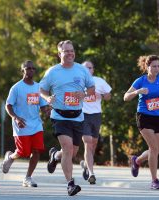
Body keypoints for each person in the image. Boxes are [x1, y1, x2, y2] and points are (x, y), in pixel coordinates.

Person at [40, 40, 95, 196]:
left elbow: (92, 89)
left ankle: (54, 156)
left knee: (71, 153)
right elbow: (42, 89)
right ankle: (70, 184)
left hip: (77, 116)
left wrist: (83, 94)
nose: (70, 53)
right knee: (67, 148)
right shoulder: (52, 72)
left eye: (72, 51)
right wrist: (47, 98)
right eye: (66, 51)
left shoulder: (82, 70)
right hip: (59, 115)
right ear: (60, 54)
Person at [123, 55, 159, 190]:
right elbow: (126, 97)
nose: (156, 69)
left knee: (155, 150)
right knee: (153, 148)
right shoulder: (140, 81)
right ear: (147, 67)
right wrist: (138, 91)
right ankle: (154, 180)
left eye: (158, 66)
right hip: (144, 116)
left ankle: (137, 160)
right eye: (154, 66)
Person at [1, 60, 49, 187]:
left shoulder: (38, 87)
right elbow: (8, 105)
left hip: (36, 124)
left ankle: (28, 177)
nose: (31, 70)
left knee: (37, 151)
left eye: (33, 68)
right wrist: (16, 118)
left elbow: (43, 106)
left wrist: (48, 111)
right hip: (21, 124)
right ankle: (11, 157)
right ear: (22, 70)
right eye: (28, 68)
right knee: (23, 152)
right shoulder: (16, 87)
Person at [80, 60, 112, 185]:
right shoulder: (77, 82)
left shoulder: (99, 81)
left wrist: (102, 95)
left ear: (93, 70)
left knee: (93, 144)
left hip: (96, 116)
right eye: (85, 68)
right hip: (82, 115)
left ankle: (86, 165)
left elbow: (109, 96)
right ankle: (91, 173)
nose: (87, 70)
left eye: (90, 68)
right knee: (87, 142)